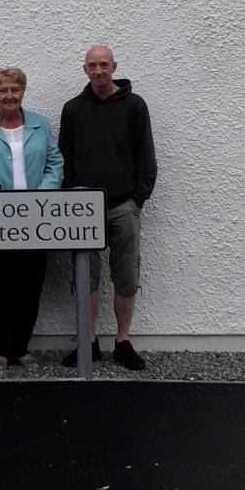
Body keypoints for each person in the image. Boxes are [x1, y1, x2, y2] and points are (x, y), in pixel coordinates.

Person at [58, 45, 157, 371]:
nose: (98, 71)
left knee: (126, 275)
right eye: (92, 66)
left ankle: (122, 341)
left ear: (114, 66)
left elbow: (146, 156)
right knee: (86, 278)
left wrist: (138, 198)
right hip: (83, 209)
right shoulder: (73, 109)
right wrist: (71, 198)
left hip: (123, 205)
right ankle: (89, 341)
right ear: (84, 69)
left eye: (104, 65)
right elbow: (66, 159)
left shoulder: (134, 106)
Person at [0, 67, 63, 374]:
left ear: (23, 92)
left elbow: (55, 164)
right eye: (3, 90)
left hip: (35, 220)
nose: (9, 95)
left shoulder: (41, 125)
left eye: (15, 90)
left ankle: (20, 346)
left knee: (29, 284)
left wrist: (40, 195)